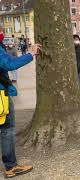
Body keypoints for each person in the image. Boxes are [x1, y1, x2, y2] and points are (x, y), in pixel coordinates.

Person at [0, 41, 41, 178]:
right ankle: (11, 167)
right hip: (1, 95)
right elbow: (9, 64)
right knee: (7, 129)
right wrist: (31, 54)